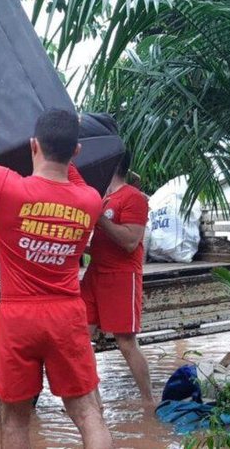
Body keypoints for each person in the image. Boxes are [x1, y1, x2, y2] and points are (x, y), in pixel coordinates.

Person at [0, 78, 112, 449]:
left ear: (33, 146)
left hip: (18, 319)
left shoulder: (7, 187)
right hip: (67, 317)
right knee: (88, 414)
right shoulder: (91, 201)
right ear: (76, 151)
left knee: (14, 420)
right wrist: (68, 141)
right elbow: (70, 176)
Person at [81, 150, 153, 405]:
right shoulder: (104, 197)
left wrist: (100, 218)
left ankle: (148, 402)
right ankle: (94, 403)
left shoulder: (134, 198)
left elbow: (131, 242)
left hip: (121, 277)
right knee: (79, 338)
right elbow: (100, 243)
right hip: (94, 275)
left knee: (125, 343)